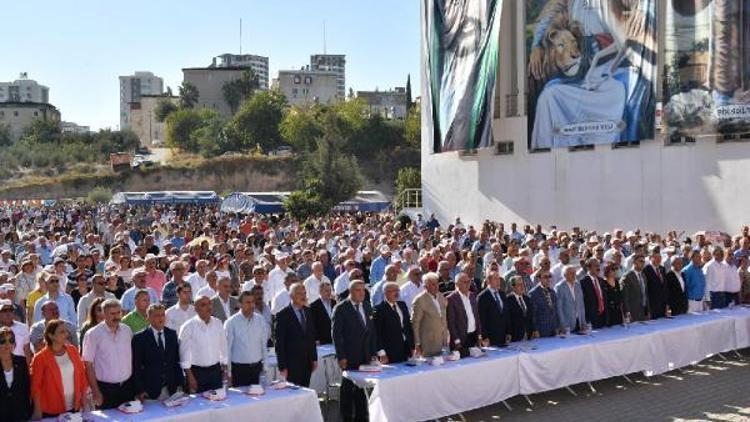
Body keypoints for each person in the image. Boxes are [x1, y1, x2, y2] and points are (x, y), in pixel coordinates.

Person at [332, 279, 379, 422]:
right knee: (348, 388)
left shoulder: (366, 305)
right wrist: (341, 356)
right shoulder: (341, 308)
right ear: (351, 292)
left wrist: (373, 353)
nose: (362, 293)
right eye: (358, 290)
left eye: (363, 290)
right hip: (349, 356)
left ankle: (362, 417)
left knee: (361, 389)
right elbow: (337, 335)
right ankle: (346, 417)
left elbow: (370, 331)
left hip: (365, 355)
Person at [82, 299, 134, 409]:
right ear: (104, 314)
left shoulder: (127, 331)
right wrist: (96, 392)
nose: (116, 316)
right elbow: (88, 365)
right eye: (112, 314)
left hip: (127, 387)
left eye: (118, 313)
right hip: (105, 390)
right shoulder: (92, 334)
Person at [30, 320, 88, 418]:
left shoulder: (73, 350)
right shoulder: (40, 358)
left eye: (66, 331)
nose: (66, 334)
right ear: (51, 336)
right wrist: (37, 410)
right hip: (51, 410)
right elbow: (36, 387)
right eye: (62, 332)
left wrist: (84, 402)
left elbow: (82, 376)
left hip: (74, 407)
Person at [131, 304, 183, 401]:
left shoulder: (172, 334)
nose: (161, 318)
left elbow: (176, 361)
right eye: (157, 315)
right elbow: (136, 367)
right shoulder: (139, 338)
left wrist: (180, 384)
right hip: (149, 391)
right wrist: (140, 390)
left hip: (171, 389)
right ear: (148, 318)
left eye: (163, 315)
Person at [179, 295, 228, 393]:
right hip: (197, 373)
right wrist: (190, 377)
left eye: (210, 303)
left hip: (216, 371)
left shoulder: (218, 323)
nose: (208, 307)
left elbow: (223, 347)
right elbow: (184, 354)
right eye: (203, 305)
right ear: (196, 309)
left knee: (218, 403)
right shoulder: (188, 327)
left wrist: (225, 370)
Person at [275, 283, 317, 387]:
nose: (303, 296)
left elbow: (311, 337)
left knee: (305, 390)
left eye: (304, 293)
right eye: (299, 293)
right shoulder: (283, 315)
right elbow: (279, 343)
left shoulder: (308, 312)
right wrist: (282, 366)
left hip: (307, 362)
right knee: (293, 393)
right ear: (291, 296)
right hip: (291, 364)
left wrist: (314, 358)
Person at [224, 291, 268, 387]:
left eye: (252, 302)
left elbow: (263, 345)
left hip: (257, 369)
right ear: (240, 304)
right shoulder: (231, 323)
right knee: (240, 400)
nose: (251, 305)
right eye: (248, 302)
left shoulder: (260, 320)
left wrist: (265, 367)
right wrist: (229, 373)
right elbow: (227, 349)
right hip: (239, 370)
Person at [373, 281, 414, 364]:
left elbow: (408, 326)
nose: (397, 293)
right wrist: (381, 353)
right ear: (385, 293)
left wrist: (412, 345)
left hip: (406, 349)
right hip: (390, 352)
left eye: (397, 290)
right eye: (393, 291)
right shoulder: (379, 309)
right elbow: (377, 333)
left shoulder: (402, 305)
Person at [411, 272, 448, 357]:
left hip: (442, 341)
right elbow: (415, 323)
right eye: (432, 284)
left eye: (437, 284)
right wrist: (417, 343)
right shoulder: (419, 300)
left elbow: (443, 317)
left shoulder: (441, 296)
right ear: (425, 286)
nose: (436, 287)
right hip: (428, 343)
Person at [446, 273, 484, 354]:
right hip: (461, 339)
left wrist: (479, 335)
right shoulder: (451, 299)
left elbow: (477, 317)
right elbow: (451, 323)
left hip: (473, 337)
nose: (467, 284)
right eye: (464, 282)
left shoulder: (473, 296)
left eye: (468, 282)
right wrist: (456, 341)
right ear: (457, 284)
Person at [0, 326, 32, 421]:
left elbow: (26, 389)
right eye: (2, 341)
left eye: (11, 340)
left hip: (20, 414)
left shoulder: (21, 361)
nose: (7, 344)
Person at [478, 271, 512, 345]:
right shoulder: (482, 296)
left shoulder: (502, 294)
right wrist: (485, 337)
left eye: (499, 279)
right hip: (490, 338)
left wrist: (508, 332)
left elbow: (506, 314)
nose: (498, 281)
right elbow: (481, 318)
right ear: (488, 281)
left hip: (503, 336)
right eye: (495, 279)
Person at [554, 266, 586, 333]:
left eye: (574, 273)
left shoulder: (578, 285)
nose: (574, 275)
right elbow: (559, 308)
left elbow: (581, 305)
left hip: (578, 323)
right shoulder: (559, 287)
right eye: (571, 273)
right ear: (565, 275)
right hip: (567, 325)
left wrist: (583, 322)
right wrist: (562, 324)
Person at [621, 254, 650, 322]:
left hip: (643, 311)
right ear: (634, 262)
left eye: (644, 261)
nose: (643, 263)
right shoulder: (627, 276)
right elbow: (625, 297)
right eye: (641, 261)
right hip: (633, 312)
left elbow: (645, 294)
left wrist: (648, 310)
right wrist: (627, 312)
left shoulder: (643, 275)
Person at [580, 258, 607, 329]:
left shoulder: (601, 281)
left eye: (599, 265)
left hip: (603, 318)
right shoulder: (583, 282)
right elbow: (583, 303)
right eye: (595, 266)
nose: (598, 268)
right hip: (591, 320)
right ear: (588, 268)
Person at [507, 276, 535, 342]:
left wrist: (533, 329)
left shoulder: (527, 299)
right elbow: (508, 319)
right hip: (515, 337)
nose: (522, 287)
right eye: (519, 285)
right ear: (513, 287)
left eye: (523, 284)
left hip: (528, 336)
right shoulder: (508, 300)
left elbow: (531, 316)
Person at [644, 247, 668, 318]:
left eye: (660, 257)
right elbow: (646, 290)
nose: (658, 259)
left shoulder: (662, 269)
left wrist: (666, 303)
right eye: (656, 257)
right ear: (650, 258)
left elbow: (665, 287)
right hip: (653, 306)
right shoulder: (646, 270)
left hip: (663, 305)